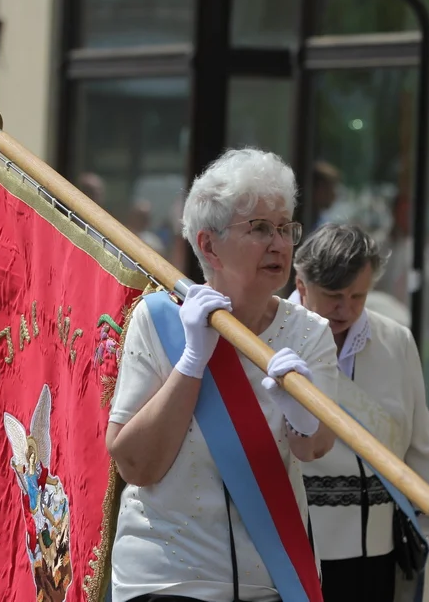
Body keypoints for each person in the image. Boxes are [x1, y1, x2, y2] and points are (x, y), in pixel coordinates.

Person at [107, 148, 342, 602]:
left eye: (285, 228)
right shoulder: (158, 320)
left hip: (270, 578)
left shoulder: (308, 332)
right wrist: (191, 362)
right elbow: (135, 465)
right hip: (167, 576)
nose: (279, 243)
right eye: (259, 229)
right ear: (209, 245)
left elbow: (313, 449)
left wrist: (302, 416)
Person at [290, 223, 429, 602]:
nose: (346, 309)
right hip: (296, 548)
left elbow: (423, 445)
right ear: (302, 285)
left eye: (359, 296)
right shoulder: (269, 336)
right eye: (333, 295)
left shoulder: (396, 341)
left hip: (379, 550)